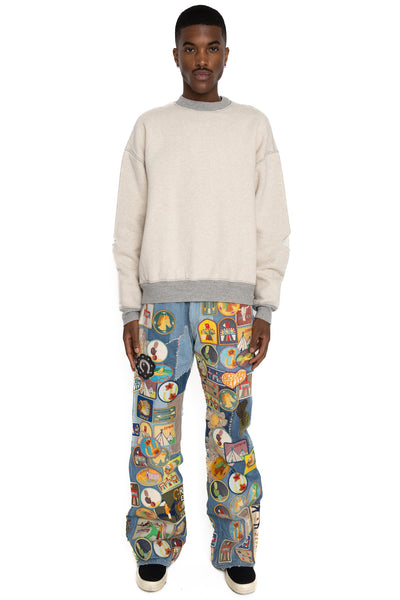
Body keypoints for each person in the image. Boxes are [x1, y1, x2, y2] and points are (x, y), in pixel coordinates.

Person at [112, 4, 291, 594]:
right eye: (190, 48)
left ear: (227, 54)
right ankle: (155, 543)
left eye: (212, 47)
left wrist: (265, 306)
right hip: (160, 309)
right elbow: (128, 226)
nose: (201, 59)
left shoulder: (253, 127)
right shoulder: (150, 127)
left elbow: (272, 222)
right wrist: (130, 308)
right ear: (175, 55)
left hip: (232, 310)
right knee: (154, 432)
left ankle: (236, 546)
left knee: (230, 431)